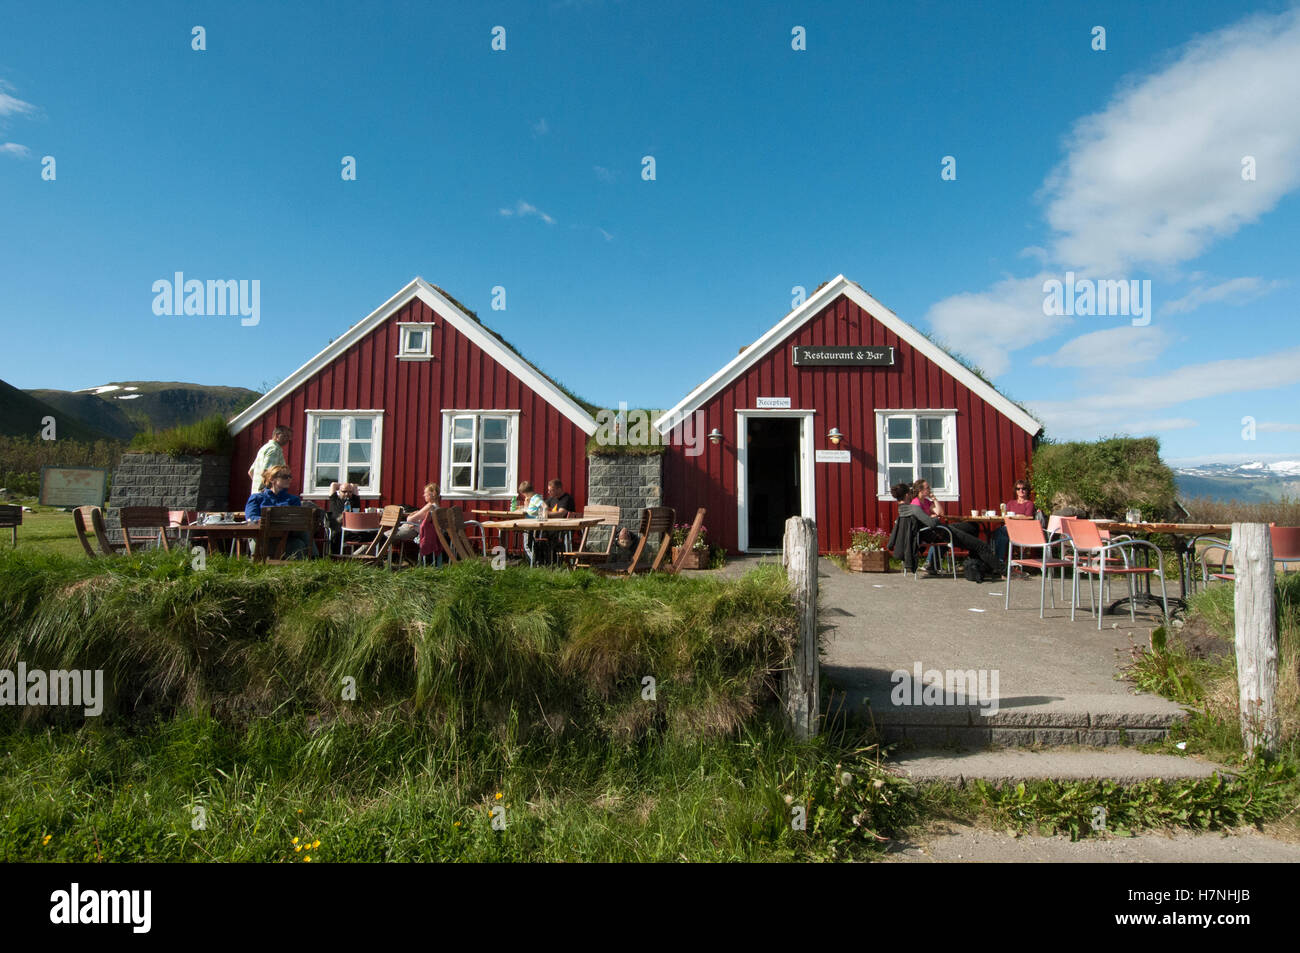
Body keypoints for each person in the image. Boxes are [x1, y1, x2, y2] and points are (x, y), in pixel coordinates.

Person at [890, 480, 1000, 577]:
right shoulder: (914, 507)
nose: (930, 489)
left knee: (971, 526)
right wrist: (934, 519)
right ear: (907, 495)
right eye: (927, 488)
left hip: (939, 530)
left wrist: (934, 503)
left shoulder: (903, 510)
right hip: (938, 532)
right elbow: (931, 523)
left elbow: (939, 514)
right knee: (981, 545)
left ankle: (975, 562)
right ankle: (1001, 570)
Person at [244, 465, 317, 558]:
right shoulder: (257, 498)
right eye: (285, 477)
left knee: (299, 542)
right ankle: (316, 559)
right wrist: (273, 522)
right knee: (302, 537)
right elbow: (251, 518)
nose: (289, 479)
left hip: (285, 537)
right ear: (272, 479)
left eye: (290, 476)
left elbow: (296, 520)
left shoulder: (293, 500)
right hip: (263, 538)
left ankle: (314, 561)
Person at [993, 479, 1041, 569]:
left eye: (1023, 488)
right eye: (1018, 489)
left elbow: (1029, 517)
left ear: (1027, 490)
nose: (1021, 491)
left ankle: (999, 563)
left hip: (1021, 530)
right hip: (1009, 528)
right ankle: (999, 562)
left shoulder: (1029, 504)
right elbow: (1005, 516)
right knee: (999, 534)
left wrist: (1017, 517)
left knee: (1000, 533)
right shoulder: (1011, 503)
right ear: (1015, 491)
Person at [393, 483, 444, 565]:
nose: (424, 495)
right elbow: (426, 521)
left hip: (416, 531)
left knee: (385, 537)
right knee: (386, 536)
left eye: (425, 493)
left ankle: (378, 560)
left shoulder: (430, 506)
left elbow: (410, 519)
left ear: (433, 494)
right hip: (427, 532)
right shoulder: (437, 507)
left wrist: (412, 515)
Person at [249, 425, 292, 495]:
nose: (288, 439)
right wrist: (267, 490)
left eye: (289, 437)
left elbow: (251, 472)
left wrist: (258, 486)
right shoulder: (274, 450)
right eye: (285, 436)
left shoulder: (264, 448)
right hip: (267, 496)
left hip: (257, 494)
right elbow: (268, 473)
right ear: (277, 435)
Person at [326, 481, 362, 554]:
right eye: (344, 491)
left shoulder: (354, 501)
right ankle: (336, 558)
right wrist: (344, 485)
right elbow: (333, 484)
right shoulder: (334, 499)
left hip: (352, 530)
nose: (347, 494)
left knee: (374, 535)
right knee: (336, 535)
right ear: (339, 491)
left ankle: (359, 557)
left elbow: (354, 486)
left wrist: (349, 486)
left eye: (349, 492)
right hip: (337, 529)